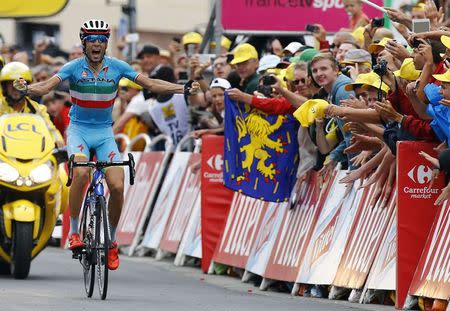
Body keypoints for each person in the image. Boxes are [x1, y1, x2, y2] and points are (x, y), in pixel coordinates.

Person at [13, 19, 199, 271]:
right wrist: (26, 88)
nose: (98, 43)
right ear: (85, 43)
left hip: (103, 133)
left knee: (117, 184)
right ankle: (76, 233)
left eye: (102, 39)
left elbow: (151, 84)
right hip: (78, 130)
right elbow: (46, 86)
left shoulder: (117, 67)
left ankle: (111, 242)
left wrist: (183, 87)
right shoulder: (74, 67)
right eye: (93, 39)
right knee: (79, 173)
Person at [0, 62, 64, 146]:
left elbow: (50, 129)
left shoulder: (38, 109)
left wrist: (58, 141)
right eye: (11, 84)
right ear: (4, 87)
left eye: (20, 84)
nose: (15, 88)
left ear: (27, 85)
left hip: (33, 152)